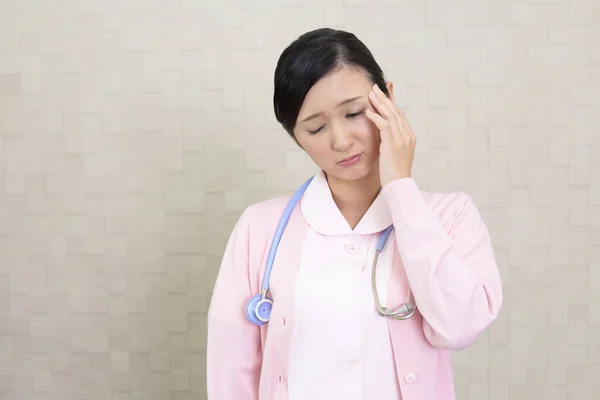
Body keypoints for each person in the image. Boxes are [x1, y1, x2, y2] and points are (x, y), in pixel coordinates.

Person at [206, 27, 503, 400]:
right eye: (316, 128)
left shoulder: (449, 216)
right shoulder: (259, 228)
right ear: (296, 137)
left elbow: (459, 327)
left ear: (388, 100)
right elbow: (230, 371)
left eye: (354, 113)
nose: (341, 141)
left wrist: (401, 190)